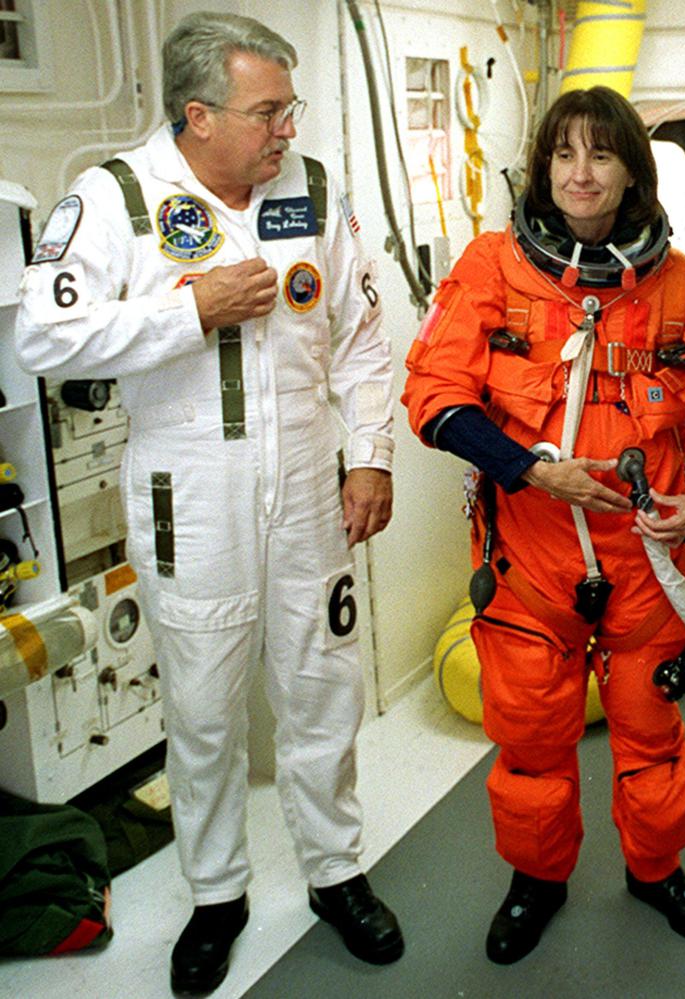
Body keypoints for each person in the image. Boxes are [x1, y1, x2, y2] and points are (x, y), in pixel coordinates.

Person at [15, 13, 402, 994]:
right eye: (267, 111)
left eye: (288, 107)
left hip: (311, 492)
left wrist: (370, 457)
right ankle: (218, 895)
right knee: (202, 715)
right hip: (191, 501)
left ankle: (335, 873)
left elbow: (360, 335)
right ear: (197, 115)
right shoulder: (118, 199)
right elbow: (47, 342)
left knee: (322, 693)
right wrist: (189, 310)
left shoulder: (311, 190)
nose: (286, 128)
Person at [402, 86, 685, 964]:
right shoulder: (492, 269)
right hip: (531, 565)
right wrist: (533, 469)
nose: (581, 173)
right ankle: (536, 881)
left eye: (601, 155)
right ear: (542, 170)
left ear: (631, 174)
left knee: (651, 739)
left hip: (649, 560)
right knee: (534, 745)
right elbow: (435, 397)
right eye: (564, 155)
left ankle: (656, 873)